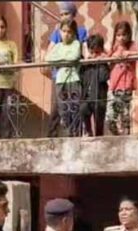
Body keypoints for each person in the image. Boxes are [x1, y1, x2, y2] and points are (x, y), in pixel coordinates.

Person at [45, 1, 88, 137]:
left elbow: (83, 51)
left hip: (75, 74)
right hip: (58, 75)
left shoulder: (81, 31)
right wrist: (65, 59)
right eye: (61, 14)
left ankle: (75, 134)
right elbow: (49, 53)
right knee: (57, 106)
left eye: (66, 13)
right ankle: (52, 136)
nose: (63, 17)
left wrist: (64, 59)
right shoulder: (57, 32)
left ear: (73, 14)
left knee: (75, 104)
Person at [106, 21, 138, 136]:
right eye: (118, 35)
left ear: (129, 35)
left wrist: (128, 53)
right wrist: (114, 55)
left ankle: (125, 137)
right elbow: (107, 58)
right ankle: (116, 136)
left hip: (126, 85)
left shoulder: (132, 45)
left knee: (124, 115)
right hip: (114, 86)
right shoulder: (113, 47)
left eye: (124, 35)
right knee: (110, 117)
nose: (121, 38)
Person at [79, 34, 110, 137]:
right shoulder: (86, 66)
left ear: (101, 51)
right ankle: (88, 131)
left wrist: (102, 62)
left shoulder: (103, 65)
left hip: (99, 98)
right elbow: (81, 78)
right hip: (87, 97)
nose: (94, 56)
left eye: (97, 53)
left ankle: (99, 137)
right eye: (92, 52)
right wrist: (86, 63)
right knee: (83, 109)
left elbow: (103, 77)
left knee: (99, 122)